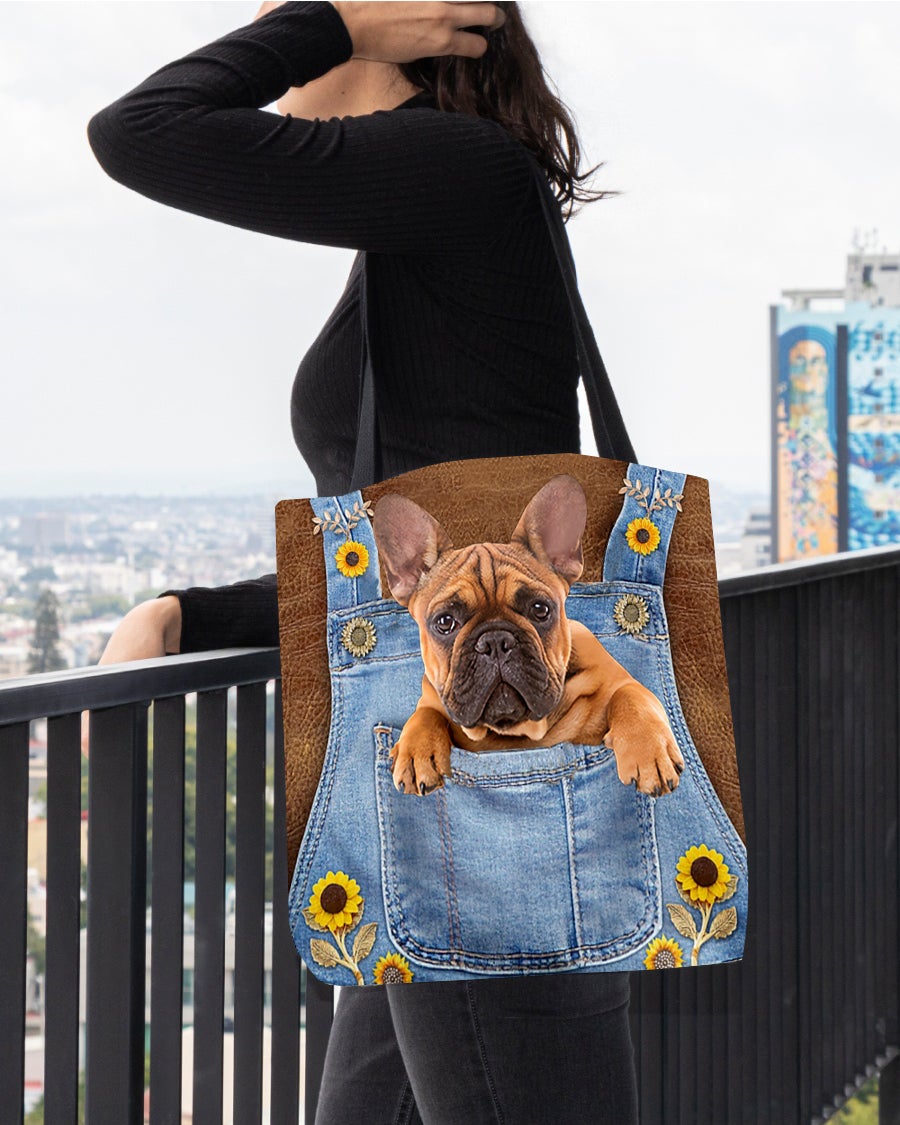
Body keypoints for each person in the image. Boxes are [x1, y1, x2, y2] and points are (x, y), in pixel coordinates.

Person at [88, 4, 639, 1121]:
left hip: (482, 808)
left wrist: (336, 25)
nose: (267, 28)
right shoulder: (441, 204)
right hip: (444, 790)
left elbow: (139, 129)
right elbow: (425, 570)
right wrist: (192, 614)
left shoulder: (458, 171)